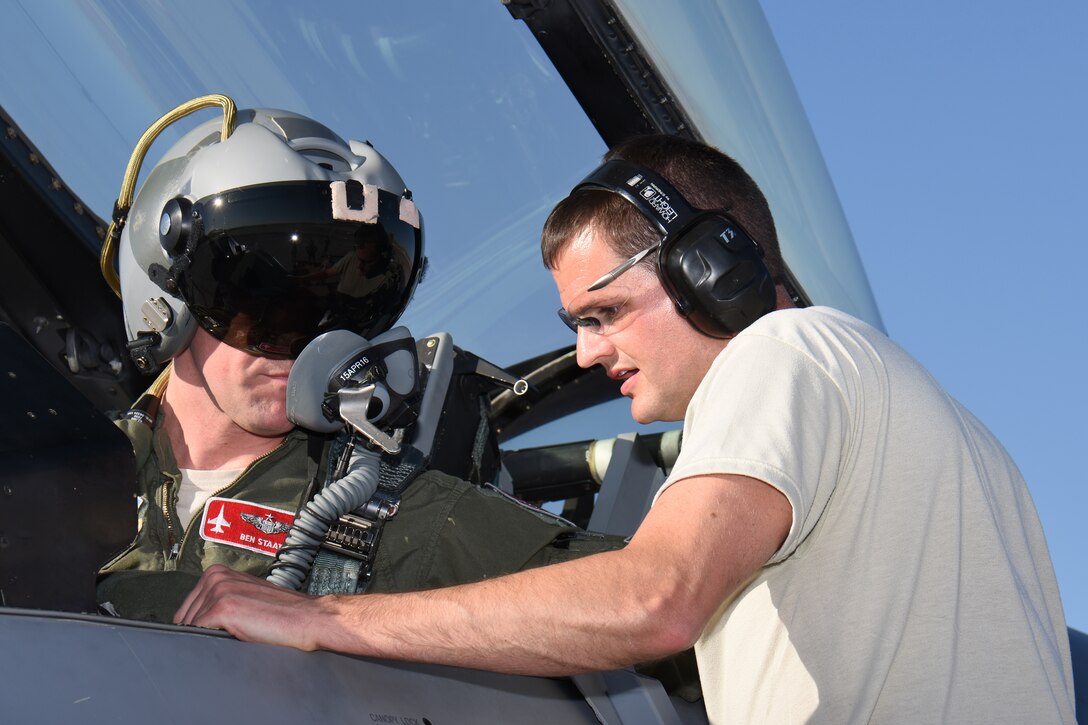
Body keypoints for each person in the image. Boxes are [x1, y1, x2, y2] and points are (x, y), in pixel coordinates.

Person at [175, 134, 1076, 723]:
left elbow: (657, 596)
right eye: (575, 321)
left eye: (605, 311)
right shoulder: (959, 445)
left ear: (707, 268)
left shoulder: (788, 349)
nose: (589, 350)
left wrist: (324, 616)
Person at [96, 106, 627, 629]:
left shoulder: (399, 514)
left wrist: (336, 618)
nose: (308, 343)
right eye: (264, 300)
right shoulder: (49, 463)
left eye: (350, 311)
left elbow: (639, 596)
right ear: (166, 294)